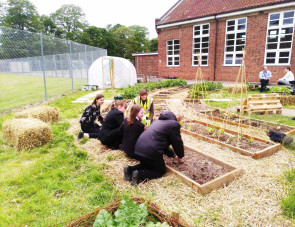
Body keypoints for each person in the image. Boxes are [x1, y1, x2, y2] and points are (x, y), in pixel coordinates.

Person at [124, 110, 184, 186]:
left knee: (148, 165)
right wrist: (180, 156)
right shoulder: (174, 125)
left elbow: (162, 143)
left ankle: (129, 169)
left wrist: (173, 155)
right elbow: (177, 143)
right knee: (160, 171)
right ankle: (140, 175)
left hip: (139, 148)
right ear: (178, 120)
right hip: (151, 151)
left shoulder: (158, 121)